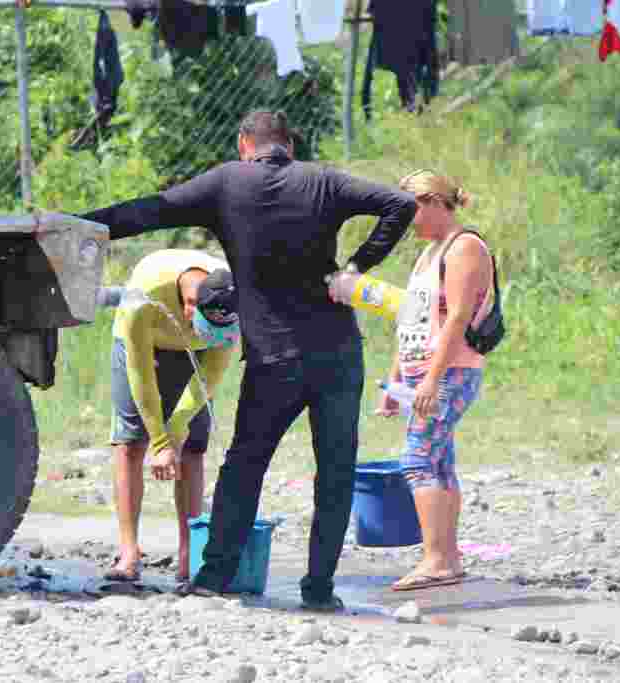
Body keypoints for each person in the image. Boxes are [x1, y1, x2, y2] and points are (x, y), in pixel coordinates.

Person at [82, 110, 417, 611]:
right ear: (289, 146)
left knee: (245, 465)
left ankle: (213, 577)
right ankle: (319, 590)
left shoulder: (226, 184)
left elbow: (149, 211)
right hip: (338, 355)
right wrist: (357, 266)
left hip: (274, 359)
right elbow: (401, 203)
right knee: (335, 471)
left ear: (245, 144)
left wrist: (81, 225)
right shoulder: (321, 181)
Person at [373, 169, 494, 591]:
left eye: (411, 212)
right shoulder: (429, 253)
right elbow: (413, 318)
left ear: (434, 202)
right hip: (421, 372)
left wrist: (431, 379)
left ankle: (437, 559)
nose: (407, 223)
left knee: (418, 458)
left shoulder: (464, 248)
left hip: (450, 371)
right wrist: (394, 381)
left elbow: (458, 317)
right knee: (438, 460)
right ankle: (447, 557)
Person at [103, 249, 240, 583]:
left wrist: (176, 433)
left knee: (193, 448)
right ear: (190, 306)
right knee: (130, 444)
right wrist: (160, 441)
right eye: (205, 328)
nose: (214, 338)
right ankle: (129, 553)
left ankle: (188, 554)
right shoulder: (145, 298)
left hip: (192, 354)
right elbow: (140, 373)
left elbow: (209, 377)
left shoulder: (229, 299)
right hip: (141, 343)